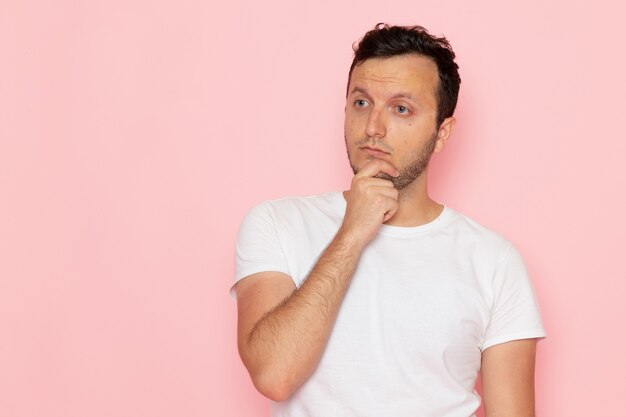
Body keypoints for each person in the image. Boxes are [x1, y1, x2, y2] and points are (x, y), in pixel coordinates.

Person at [230, 23, 546, 417]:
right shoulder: (276, 223)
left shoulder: (494, 261)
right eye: (361, 103)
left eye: (401, 109)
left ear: (442, 131)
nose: (373, 128)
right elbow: (274, 375)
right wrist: (352, 231)